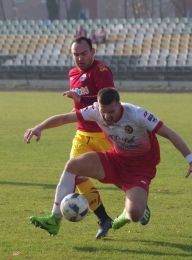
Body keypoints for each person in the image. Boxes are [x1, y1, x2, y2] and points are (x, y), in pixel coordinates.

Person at [24, 88, 192, 235]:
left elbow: (169, 133)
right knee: (73, 165)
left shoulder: (137, 114)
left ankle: (128, 214)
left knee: (136, 214)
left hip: (140, 167)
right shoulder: (96, 110)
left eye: (111, 111)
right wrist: (39, 127)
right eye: (103, 112)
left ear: (119, 105)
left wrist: (191, 160)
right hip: (115, 158)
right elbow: (65, 117)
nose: (106, 116)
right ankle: (54, 220)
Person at [28, 36, 116, 239]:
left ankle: (138, 202)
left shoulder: (101, 71)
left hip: (104, 133)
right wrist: (41, 126)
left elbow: (110, 99)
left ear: (93, 52)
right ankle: (57, 219)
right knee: (76, 175)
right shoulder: (73, 74)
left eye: (84, 53)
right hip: (82, 134)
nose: (80, 58)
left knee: (118, 178)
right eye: (75, 54)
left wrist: (82, 98)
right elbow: (77, 108)